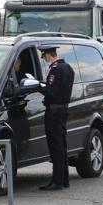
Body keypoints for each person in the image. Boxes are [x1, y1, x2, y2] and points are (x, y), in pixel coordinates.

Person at [38, 45, 75, 191]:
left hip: (53, 112)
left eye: (44, 57)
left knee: (56, 147)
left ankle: (57, 181)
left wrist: (39, 86)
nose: (45, 60)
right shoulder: (68, 67)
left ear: (48, 55)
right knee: (62, 145)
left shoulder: (56, 70)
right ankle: (64, 179)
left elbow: (51, 92)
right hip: (63, 111)